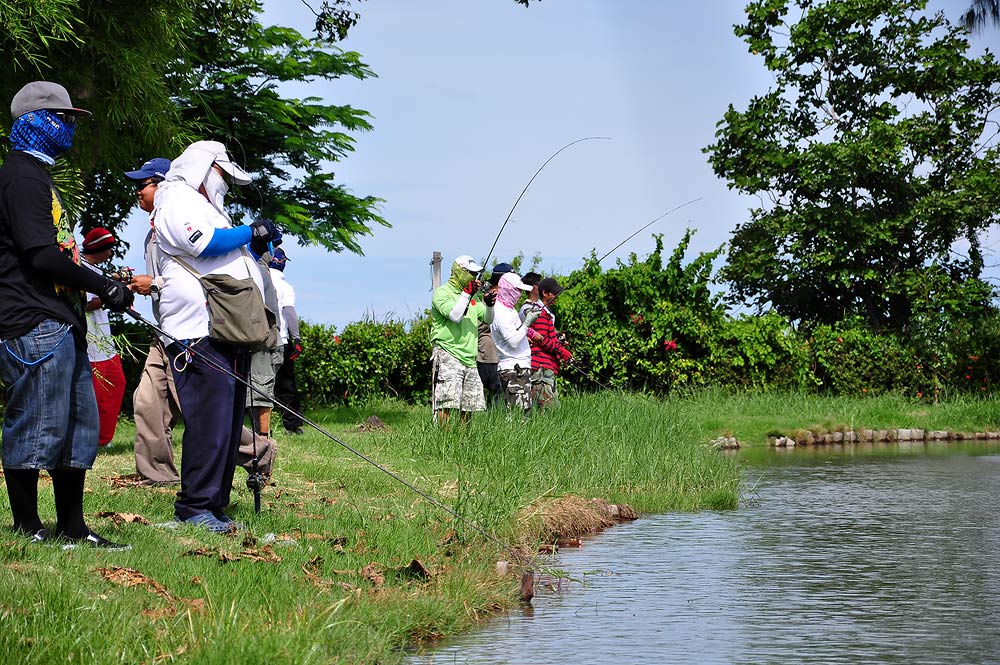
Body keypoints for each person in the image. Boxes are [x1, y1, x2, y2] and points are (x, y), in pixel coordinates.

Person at [0, 81, 134, 548]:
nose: (69, 127)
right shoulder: (20, 175)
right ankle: (26, 527)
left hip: (61, 319)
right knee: (38, 423)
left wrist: (98, 288)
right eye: (62, 118)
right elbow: (41, 255)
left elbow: (59, 253)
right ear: (34, 121)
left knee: (78, 426)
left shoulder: (39, 174)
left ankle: (73, 528)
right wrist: (102, 284)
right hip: (31, 319)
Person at [152, 139, 275, 532]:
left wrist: (256, 243)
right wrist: (248, 230)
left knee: (225, 419)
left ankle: (215, 504)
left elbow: (234, 252)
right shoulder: (177, 198)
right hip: (194, 332)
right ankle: (194, 507)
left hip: (223, 330)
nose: (224, 183)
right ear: (205, 168)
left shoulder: (206, 205)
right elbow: (203, 243)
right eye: (222, 175)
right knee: (208, 421)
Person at [124, 158, 183, 485]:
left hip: (188, 335)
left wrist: (156, 284)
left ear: (162, 186)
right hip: (163, 332)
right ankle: (158, 475)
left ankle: (258, 452)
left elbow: (199, 279)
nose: (137, 192)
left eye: (142, 185)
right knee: (146, 401)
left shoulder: (177, 224)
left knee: (198, 409)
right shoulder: (152, 233)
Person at [430, 255, 494, 425]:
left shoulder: (472, 298)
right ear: (459, 272)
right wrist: (466, 294)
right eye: (471, 273)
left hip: (470, 359)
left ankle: (462, 445)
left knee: (469, 406)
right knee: (447, 403)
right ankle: (443, 443)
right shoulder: (442, 293)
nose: (474, 277)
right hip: (448, 354)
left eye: (476, 274)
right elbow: (455, 316)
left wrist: (489, 304)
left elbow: (488, 319)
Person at [80, 227, 128, 446]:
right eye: (109, 248)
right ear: (100, 248)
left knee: (116, 384)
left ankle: (103, 438)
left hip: (105, 343)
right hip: (90, 341)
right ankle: (93, 439)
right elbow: (86, 304)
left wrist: (121, 293)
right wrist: (115, 295)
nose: (111, 253)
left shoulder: (96, 270)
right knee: (95, 393)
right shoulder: (80, 267)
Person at [490, 272, 538, 416]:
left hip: (519, 367)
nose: (520, 293)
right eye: (517, 290)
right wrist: (528, 322)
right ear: (508, 289)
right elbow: (514, 341)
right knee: (519, 416)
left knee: (524, 413)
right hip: (514, 370)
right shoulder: (500, 312)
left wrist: (526, 332)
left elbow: (517, 334)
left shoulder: (509, 309)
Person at [269, 247, 305, 435]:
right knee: (286, 385)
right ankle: (292, 425)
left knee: (260, 384)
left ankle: (262, 427)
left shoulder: (259, 280)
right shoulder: (285, 286)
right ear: (282, 263)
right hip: (281, 340)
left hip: (258, 340)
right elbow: (289, 313)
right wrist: (297, 339)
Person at [525, 277, 573, 410]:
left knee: (553, 409)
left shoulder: (546, 312)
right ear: (545, 293)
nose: (557, 296)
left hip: (547, 366)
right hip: (540, 368)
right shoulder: (539, 313)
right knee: (548, 410)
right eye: (554, 293)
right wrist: (563, 353)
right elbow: (542, 341)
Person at [476, 262, 512, 409]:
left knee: (501, 393)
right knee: (496, 391)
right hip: (488, 352)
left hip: (501, 352)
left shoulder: (503, 298)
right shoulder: (486, 296)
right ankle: (495, 425)